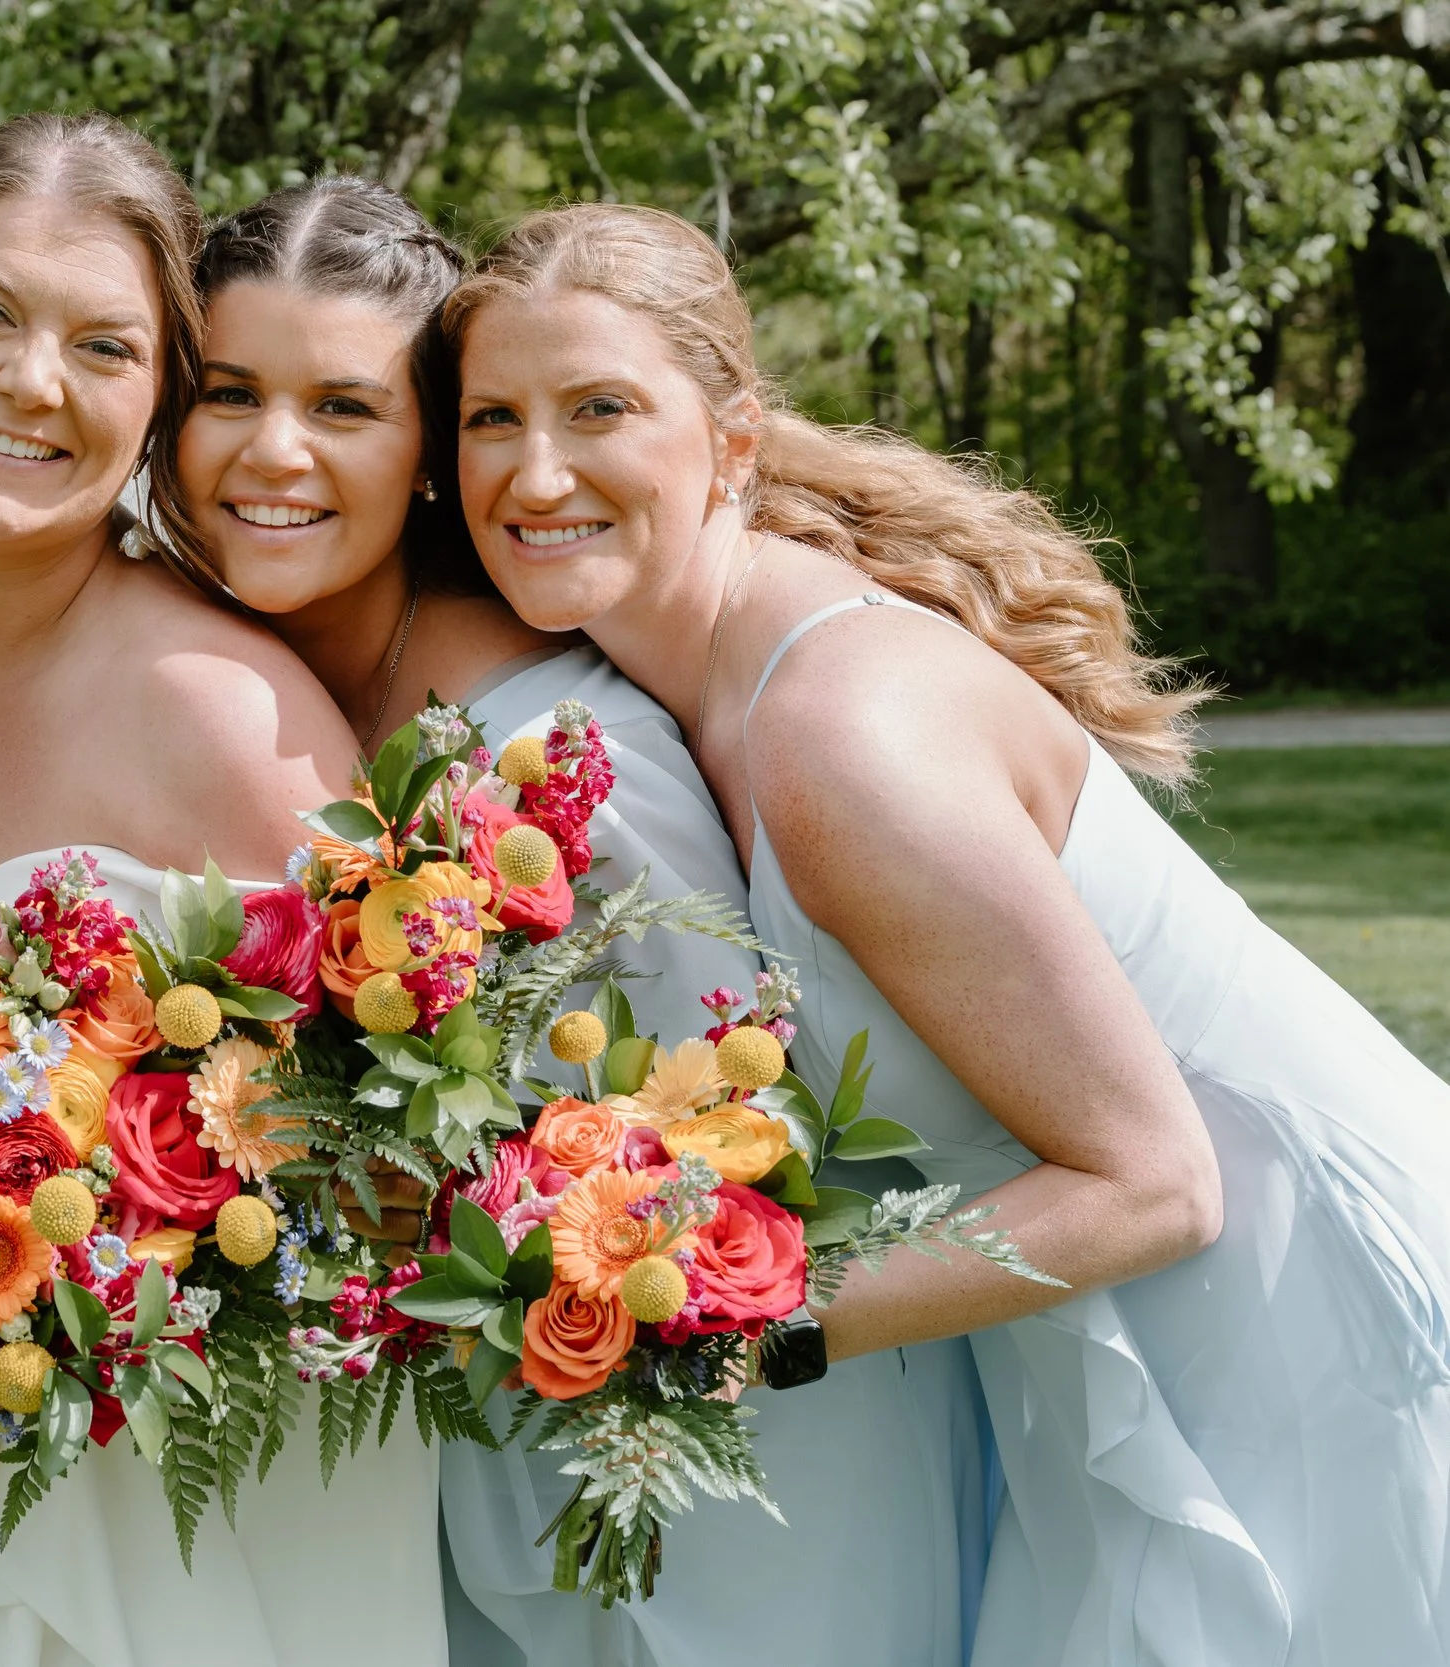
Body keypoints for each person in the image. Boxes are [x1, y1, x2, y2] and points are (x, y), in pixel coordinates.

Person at [449, 201, 1450, 1666]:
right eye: (493, 419)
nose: (536, 473)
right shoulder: (673, 689)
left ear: (733, 440)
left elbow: (1160, 1182)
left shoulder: (837, 731)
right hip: (1109, 1337)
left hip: (1306, 1334)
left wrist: (724, 1316)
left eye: (600, 409)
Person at [158, 176, 991, 1667]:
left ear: (423, 454)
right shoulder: (251, 691)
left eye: (344, 407)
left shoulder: (567, 772)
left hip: (723, 1497)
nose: (273, 451)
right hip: (481, 1478)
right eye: (230, 393)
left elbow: (733, 1176)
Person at [0, 113, 441, 1667]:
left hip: (183, 1525)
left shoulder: (231, 720)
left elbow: (391, 1188)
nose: (31, 382)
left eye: (103, 345)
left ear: (158, 399)